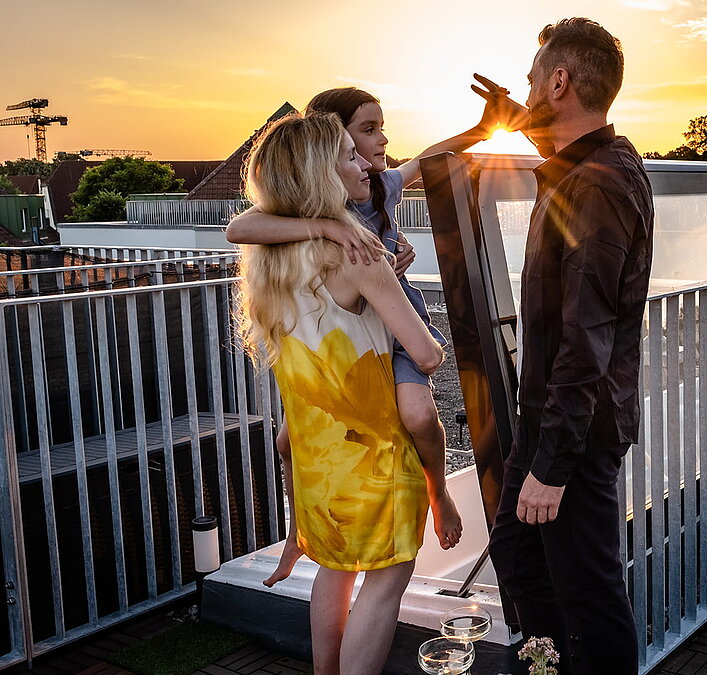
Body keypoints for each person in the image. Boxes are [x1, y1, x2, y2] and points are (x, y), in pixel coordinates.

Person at [227, 80, 524, 586]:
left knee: (418, 413)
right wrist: (329, 227)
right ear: (330, 145)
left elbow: (425, 160)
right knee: (286, 441)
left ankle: (438, 490)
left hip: (393, 318)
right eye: (367, 131)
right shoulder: (314, 205)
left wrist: (481, 129)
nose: (381, 140)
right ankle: (297, 534)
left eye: (380, 128)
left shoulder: (379, 186)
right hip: (349, 336)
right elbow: (239, 229)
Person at [234, 111, 445, 674]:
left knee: (334, 570)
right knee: (386, 583)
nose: (363, 165)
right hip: (375, 461)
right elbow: (426, 355)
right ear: (324, 175)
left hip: (318, 467)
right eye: (350, 156)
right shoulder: (360, 256)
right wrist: (397, 289)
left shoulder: (269, 265)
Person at [488, 17, 654, 675]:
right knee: (518, 557)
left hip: (576, 431)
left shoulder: (597, 184)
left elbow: (588, 336)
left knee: (590, 592)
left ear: (559, 82)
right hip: (553, 419)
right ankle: (550, 665)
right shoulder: (588, 167)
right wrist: (513, 116)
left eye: (534, 80)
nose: (527, 89)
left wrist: (553, 465)